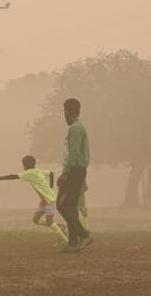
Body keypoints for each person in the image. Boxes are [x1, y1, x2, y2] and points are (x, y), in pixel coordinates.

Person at [0, 155, 69, 245]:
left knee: (50, 221)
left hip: (50, 200)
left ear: (24, 165)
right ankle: (59, 226)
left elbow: (14, 176)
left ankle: (66, 241)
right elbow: (51, 173)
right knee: (36, 220)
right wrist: (50, 186)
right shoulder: (38, 171)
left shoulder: (29, 173)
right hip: (44, 200)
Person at [57, 98, 93, 253]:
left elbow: (74, 153)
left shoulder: (76, 128)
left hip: (74, 171)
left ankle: (83, 235)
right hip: (75, 171)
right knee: (69, 206)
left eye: (64, 112)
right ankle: (73, 241)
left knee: (63, 205)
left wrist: (65, 173)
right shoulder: (77, 127)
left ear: (67, 112)